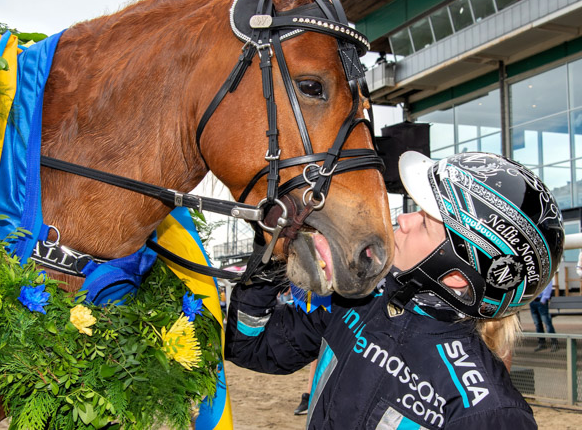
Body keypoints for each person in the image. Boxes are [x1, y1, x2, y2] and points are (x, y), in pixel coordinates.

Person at [226, 151, 565, 429]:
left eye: (424, 221)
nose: (403, 220)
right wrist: (271, 249)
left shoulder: (492, 413)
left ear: (457, 274)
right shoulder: (355, 301)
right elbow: (252, 347)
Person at [529, 279, 558, 352]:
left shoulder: (546, 273)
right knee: (537, 323)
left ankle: (554, 342)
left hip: (541, 302)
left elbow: (548, 287)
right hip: (532, 301)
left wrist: (543, 300)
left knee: (547, 322)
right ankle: (541, 343)